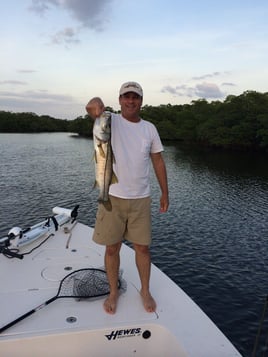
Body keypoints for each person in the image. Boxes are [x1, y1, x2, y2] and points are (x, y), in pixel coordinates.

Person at [86, 81, 169, 315]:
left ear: (141, 101)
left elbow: (158, 161)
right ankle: (113, 292)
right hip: (112, 195)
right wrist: (97, 105)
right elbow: (92, 108)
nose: (131, 101)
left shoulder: (150, 128)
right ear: (120, 99)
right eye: (126, 97)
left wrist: (165, 192)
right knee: (112, 249)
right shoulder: (109, 121)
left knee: (143, 249)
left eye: (135, 97)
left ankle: (145, 290)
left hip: (141, 199)